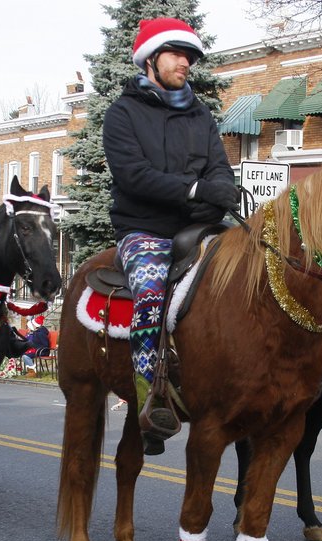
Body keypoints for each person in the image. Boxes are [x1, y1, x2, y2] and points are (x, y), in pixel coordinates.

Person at [104, 16, 238, 455]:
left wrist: (218, 191)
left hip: (201, 226)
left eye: (190, 56)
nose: (186, 63)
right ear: (151, 59)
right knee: (149, 293)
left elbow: (218, 165)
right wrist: (194, 190)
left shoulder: (200, 113)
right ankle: (152, 402)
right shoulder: (123, 114)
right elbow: (134, 176)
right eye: (177, 54)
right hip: (145, 230)